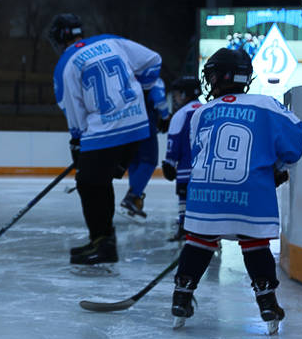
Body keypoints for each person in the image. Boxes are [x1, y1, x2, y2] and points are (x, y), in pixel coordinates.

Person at [171, 48, 302, 333]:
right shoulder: (267, 104)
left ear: (220, 77)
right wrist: (276, 168)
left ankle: (181, 296)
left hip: (205, 192)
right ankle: (267, 302)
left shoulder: (201, 111)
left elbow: (199, 155)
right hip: (250, 192)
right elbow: (294, 143)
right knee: (255, 244)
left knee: (198, 241)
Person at [49, 13, 167, 269]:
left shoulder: (65, 64)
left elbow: (73, 108)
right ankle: (102, 241)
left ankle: (103, 244)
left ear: (58, 40)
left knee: (89, 183)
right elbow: (153, 61)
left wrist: (78, 141)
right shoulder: (112, 41)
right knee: (98, 181)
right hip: (138, 126)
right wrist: (143, 95)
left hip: (105, 129)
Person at [160, 75, 204, 241]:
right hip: (209, 170)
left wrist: (169, 162)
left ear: (185, 94)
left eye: (178, 94)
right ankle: (208, 231)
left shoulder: (182, 114)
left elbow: (174, 141)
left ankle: (184, 228)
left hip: (186, 169)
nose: (176, 98)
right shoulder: (208, 109)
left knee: (184, 198)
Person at [119, 80, 169, 221]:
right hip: (146, 123)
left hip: (127, 124)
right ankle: (132, 197)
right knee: (149, 161)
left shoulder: (127, 78)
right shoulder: (152, 79)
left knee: (134, 161)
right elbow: (159, 99)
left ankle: (134, 201)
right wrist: (165, 117)